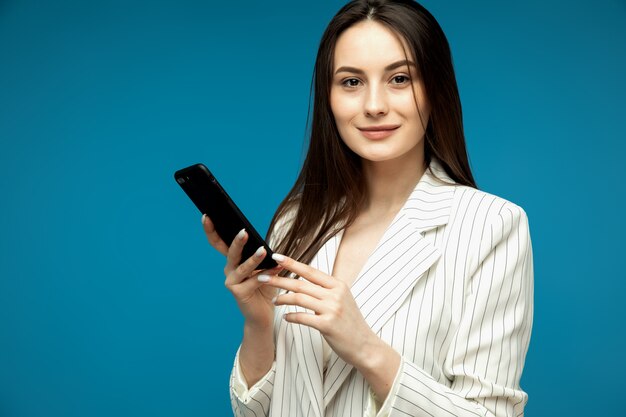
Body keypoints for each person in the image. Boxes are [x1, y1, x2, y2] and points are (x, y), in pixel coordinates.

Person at [201, 1, 534, 416]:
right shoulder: (298, 219)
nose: (374, 105)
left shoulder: (491, 225)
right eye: (351, 82)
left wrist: (365, 347)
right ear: (329, 97)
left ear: (436, 89)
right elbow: (257, 411)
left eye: (399, 78)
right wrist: (259, 323)